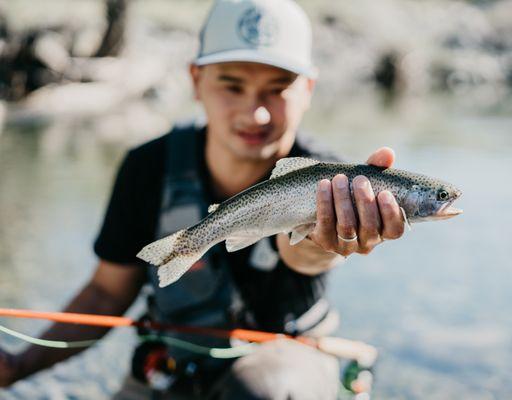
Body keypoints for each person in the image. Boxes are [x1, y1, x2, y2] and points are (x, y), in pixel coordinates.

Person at [0, 0, 405, 398]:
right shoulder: (149, 167)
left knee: (261, 390)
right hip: (175, 361)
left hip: (284, 366)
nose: (256, 113)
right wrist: (19, 366)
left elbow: (303, 255)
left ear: (309, 89)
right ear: (196, 80)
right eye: (232, 85)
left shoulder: (334, 181)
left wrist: (324, 241)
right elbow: (108, 292)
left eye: (278, 88)